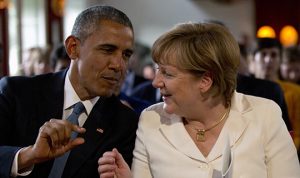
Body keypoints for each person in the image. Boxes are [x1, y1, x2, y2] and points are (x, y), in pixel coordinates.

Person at [98, 22, 300, 178]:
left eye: (167, 74)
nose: (156, 82)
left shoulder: (265, 115)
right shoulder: (151, 119)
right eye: (158, 70)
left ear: (205, 80)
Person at [0, 5, 139, 178]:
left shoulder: (125, 123)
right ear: (73, 47)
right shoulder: (17, 93)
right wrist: (30, 155)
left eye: (126, 54)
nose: (119, 65)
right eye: (107, 50)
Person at [249, 37, 300, 154]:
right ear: (252, 59)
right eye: (263, 54)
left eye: (273, 55)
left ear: (280, 60)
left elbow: (297, 133)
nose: (268, 60)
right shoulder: (242, 91)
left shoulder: (295, 92)